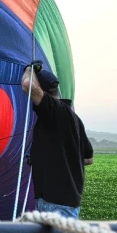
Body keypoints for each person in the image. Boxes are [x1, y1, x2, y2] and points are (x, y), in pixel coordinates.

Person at [22, 64, 94, 219]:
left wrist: (30, 70)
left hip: (54, 204)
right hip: (70, 202)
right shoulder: (74, 118)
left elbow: (27, 85)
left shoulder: (54, 111)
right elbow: (88, 159)